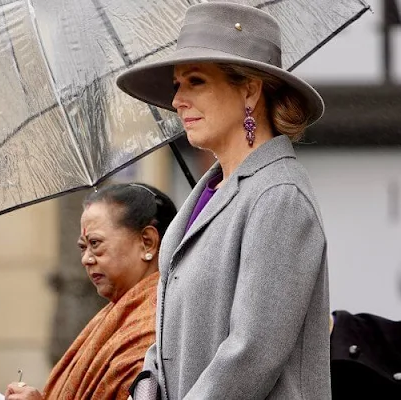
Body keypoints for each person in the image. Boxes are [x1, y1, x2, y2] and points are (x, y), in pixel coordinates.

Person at [116, 3, 330, 399]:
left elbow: (252, 354)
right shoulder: (208, 194)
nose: (177, 100)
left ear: (249, 89)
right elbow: (165, 344)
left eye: (195, 81)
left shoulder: (279, 197)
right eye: (177, 84)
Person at [4, 183, 177, 400]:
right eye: (83, 247)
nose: (86, 259)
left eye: (95, 243)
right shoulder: (116, 316)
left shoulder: (154, 327)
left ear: (147, 242)